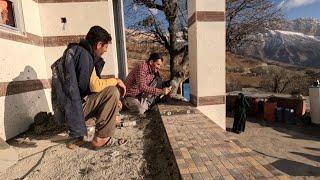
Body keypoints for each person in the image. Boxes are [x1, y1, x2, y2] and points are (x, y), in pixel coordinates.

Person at [51, 26, 127, 149]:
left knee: (111, 95)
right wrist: (116, 81)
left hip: (67, 110)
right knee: (113, 91)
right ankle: (101, 139)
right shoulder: (84, 55)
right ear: (99, 44)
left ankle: (88, 131)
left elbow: (88, 88)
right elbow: (95, 86)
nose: (106, 51)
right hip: (74, 110)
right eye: (106, 46)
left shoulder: (76, 52)